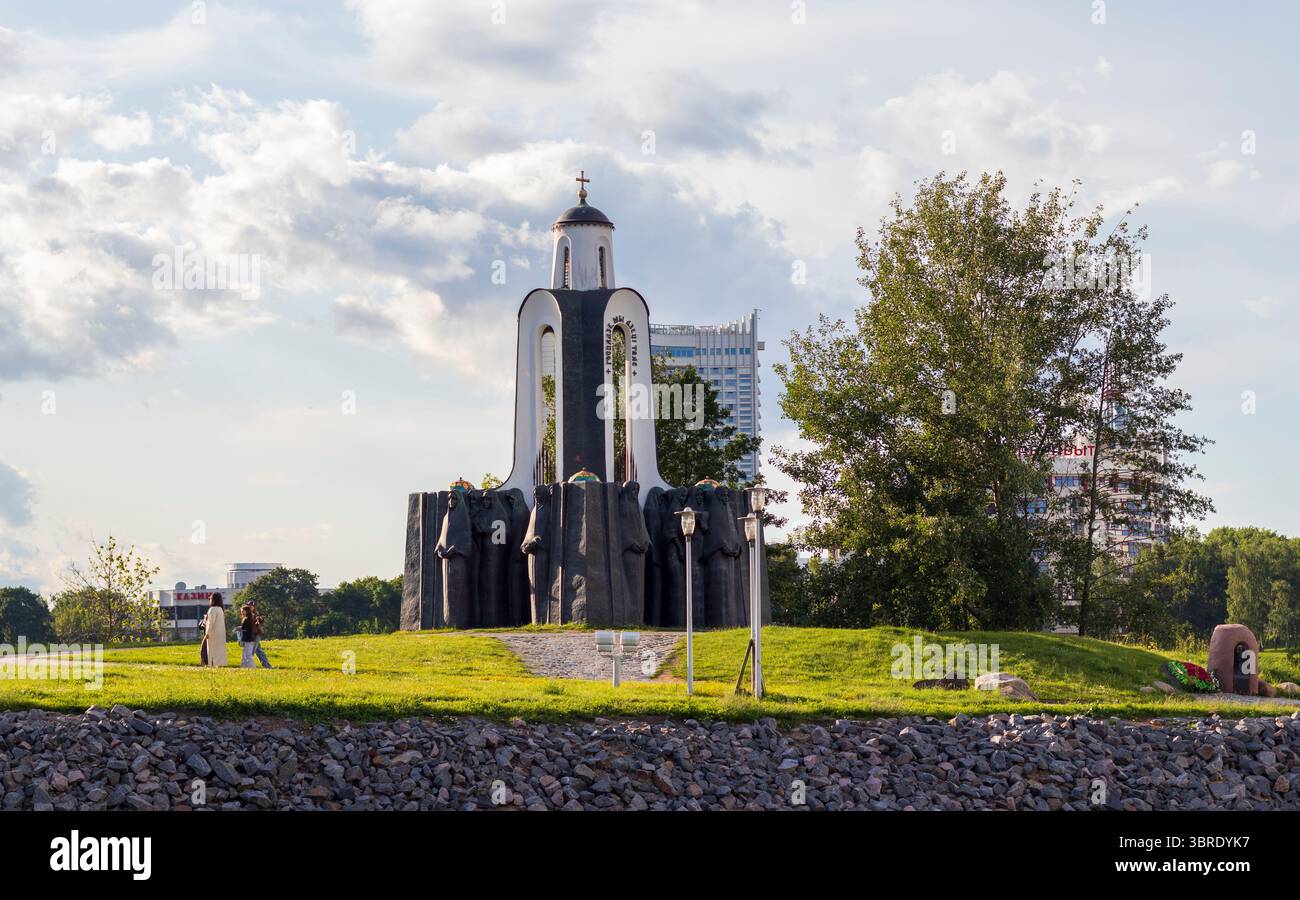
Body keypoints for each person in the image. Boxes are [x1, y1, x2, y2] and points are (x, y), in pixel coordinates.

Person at [203, 593, 227, 667]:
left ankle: (212, 664)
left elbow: (211, 623)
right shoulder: (220, 609)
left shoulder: (212, 609)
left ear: (213, 600)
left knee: (212, 650)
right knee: (219, 650)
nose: (209, 600)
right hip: (221, 634)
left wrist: (207, 633)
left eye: (210, 599)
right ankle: (220, 664)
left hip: (213, 634)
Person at [247, 601, 272, 669]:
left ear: (254, 607)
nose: (250, 607)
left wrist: (260, 619)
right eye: (249, 605)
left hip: (256, 634)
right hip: (252, 634)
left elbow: (260, 621)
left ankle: (249, 665)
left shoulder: (255, 614)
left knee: (253, 650)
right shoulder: (247, 614)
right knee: (258, 650)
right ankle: (267, 665)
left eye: (251, 606)